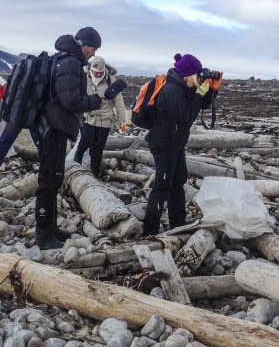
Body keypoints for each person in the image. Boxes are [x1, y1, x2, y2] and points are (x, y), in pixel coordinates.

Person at [34, 27, 112, 250]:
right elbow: (70, 101)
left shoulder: (66, 60)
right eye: (93, 47)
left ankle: (50, 229)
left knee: (53, 179)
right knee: (48, 182)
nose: (93, 52)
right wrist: (95, 102)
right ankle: (43, 236)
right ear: (82, 44)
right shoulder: (70, 63)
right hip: (53, 129)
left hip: (53, 127)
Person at [142, 53, 215, 236]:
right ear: (189, 74)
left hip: (175, 143)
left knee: (178, 182)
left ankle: (178, 224)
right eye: (197, 75)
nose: (199, 78)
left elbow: (201, 105)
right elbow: (185, 118)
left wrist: (212, 89)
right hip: (164, 143)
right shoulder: (172, 90)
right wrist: (198, 94)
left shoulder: (183, 86)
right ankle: (149, 230)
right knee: (162, 185)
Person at [74, 56, 129, 177]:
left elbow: (119, 102)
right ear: (90, 69)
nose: (98, 75)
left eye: (100, 73)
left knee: (98, 149)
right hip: (88, 118)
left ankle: (95, 173)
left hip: (105, 121)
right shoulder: (84, 79)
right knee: (84, 142)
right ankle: (75, 166)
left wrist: (122, 122)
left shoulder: (111, 81)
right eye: (95, 72)